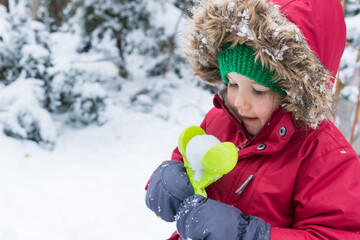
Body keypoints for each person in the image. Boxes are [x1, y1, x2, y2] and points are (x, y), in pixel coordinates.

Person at [145, 0, 360, 239]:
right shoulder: (221, 120)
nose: (239, 102)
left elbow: (336, 234)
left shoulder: (325, 156)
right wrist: (172, 176)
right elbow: (191, 158)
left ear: (297, 92)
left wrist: (248, 234)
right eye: (233, 84)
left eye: (258, 89)